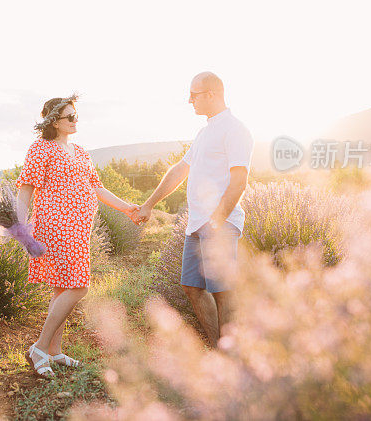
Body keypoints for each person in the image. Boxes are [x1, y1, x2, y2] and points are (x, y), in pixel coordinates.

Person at [16, 95, 140, 378]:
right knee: (79, 286)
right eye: (69, 117)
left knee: (62, 287)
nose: (75, 120)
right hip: (54, 226)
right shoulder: (41, 148)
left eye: (76, 115)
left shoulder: (81, 151)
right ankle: (40, 347)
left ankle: (54, 350)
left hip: (79, 228)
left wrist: (127, 207)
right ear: (53, 122)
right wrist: (19, 227)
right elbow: (26, 190)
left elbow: (97, 188)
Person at [136, 72, 253, 347]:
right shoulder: (204, 132)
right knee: (192, 287)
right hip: (197, 224)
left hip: (219, 224)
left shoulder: (235, 129)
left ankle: (232, 357)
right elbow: (179, 170)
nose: (190, 100)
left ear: (211, 94)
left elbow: (240, 181)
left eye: (194, 94)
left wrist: (218, 220)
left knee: (223, 291)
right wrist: (149, 204)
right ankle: (218, 348)